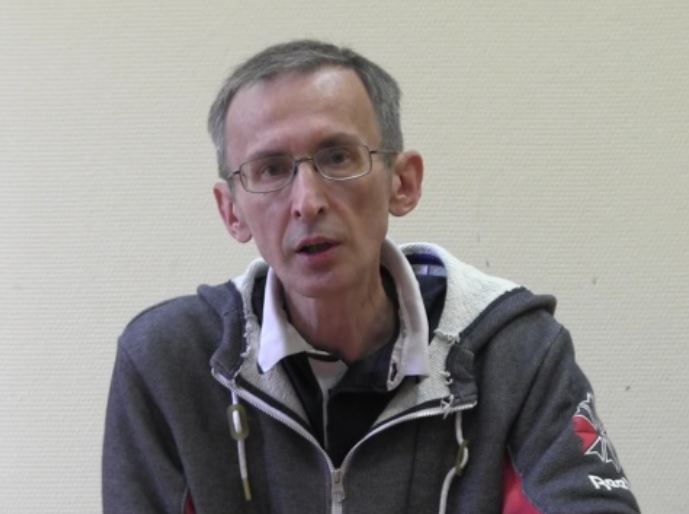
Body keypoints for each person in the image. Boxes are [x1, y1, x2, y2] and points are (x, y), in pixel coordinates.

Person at [102, 40, 640, 514]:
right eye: (271, 169)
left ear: (402, 183)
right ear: (231, 211)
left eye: (338, 157)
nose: (307, 202)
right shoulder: (168, 362)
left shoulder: (516, 352)